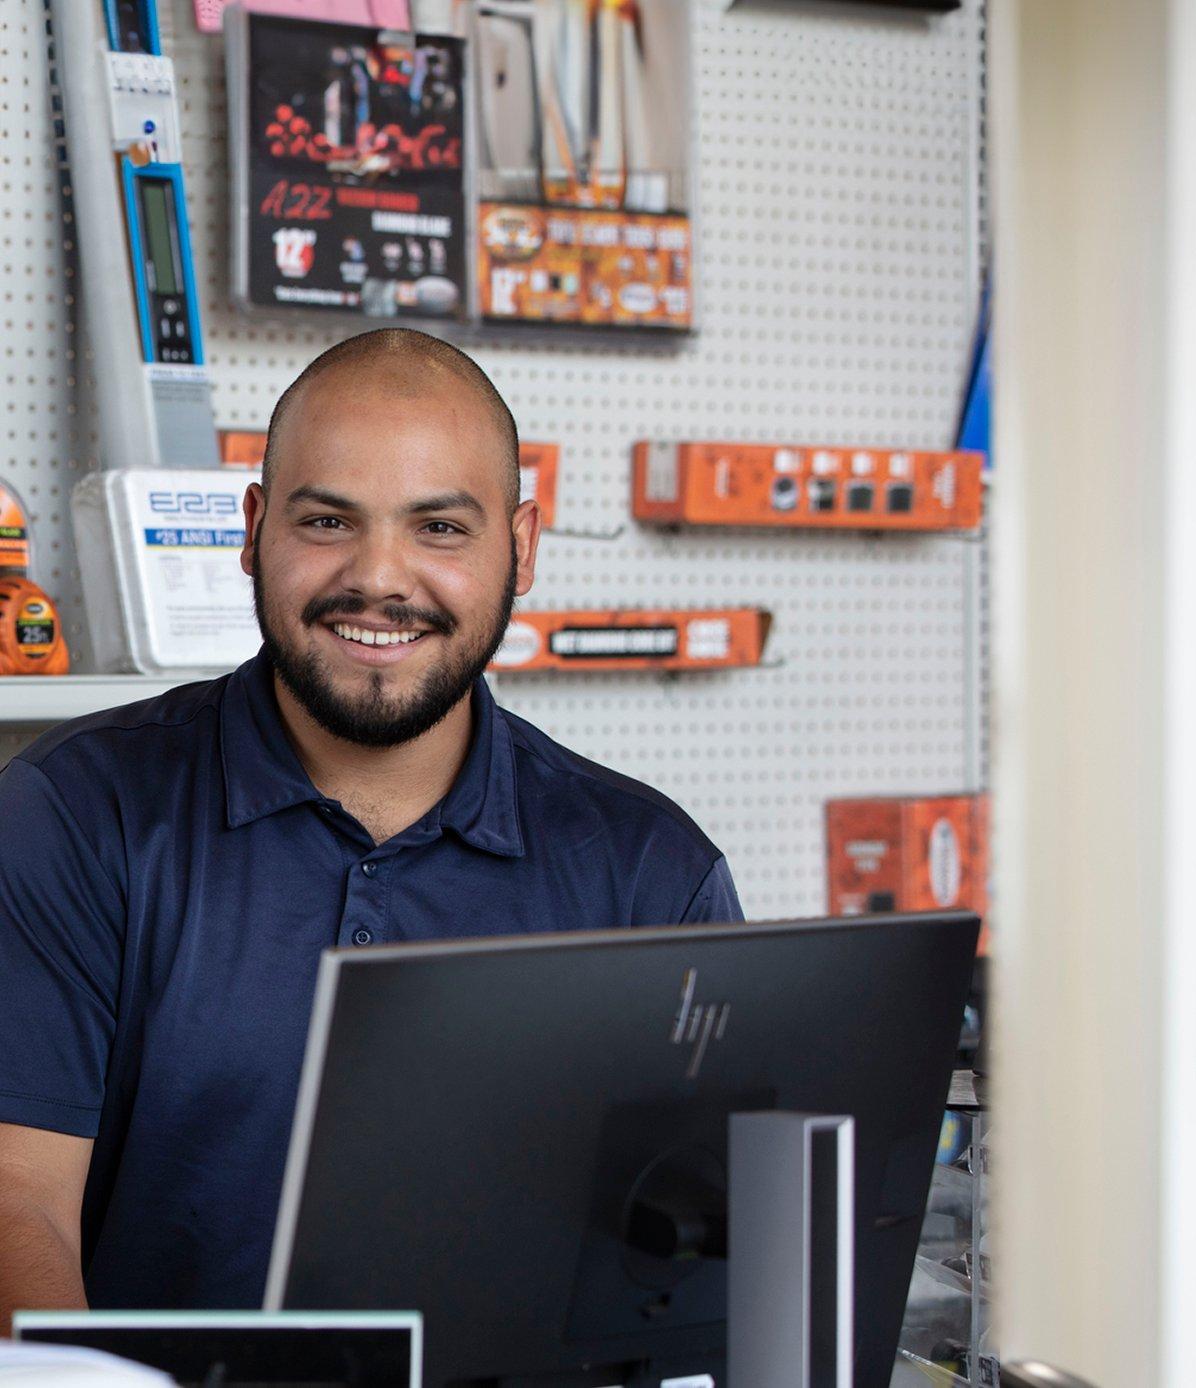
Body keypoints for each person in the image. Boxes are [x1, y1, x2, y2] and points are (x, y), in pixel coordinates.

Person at [0, 330, 740, 1321]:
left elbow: (701, 1265)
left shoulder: (653, 875)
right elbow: (18, 1203)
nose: (379, 577)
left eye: (438, 528)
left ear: (521, 544)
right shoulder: (71, 817)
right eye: (327, 520)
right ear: (254, 527)